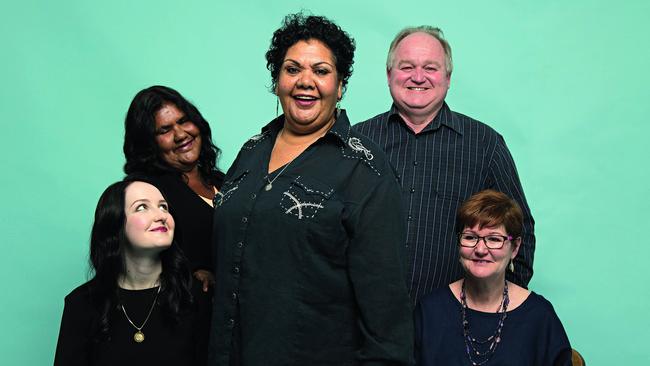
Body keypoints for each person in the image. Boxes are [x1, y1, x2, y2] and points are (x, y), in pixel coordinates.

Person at [208, 13, 413, 366]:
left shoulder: (364, 168)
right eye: (292, 69)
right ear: (276, 81)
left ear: (341, 84)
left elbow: (386, 306)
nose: (306, 82)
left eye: (321, 71)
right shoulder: (251, 150)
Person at [354, 26, 536, 303]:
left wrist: (494, 306)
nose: (418, 77)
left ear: (448, 78)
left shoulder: (485, 144)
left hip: (456, 326)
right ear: (389, 74)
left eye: (430, 67)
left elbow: (519, 229)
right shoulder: (357, 142)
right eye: (406, 67)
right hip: (364, 325)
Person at [53, 178, 211, 365]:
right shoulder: (82, 303)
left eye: (163, 207)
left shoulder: (195, 295)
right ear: (115, 223)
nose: (160, 215)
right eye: (142, 207)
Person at [415, 190, 571, 365]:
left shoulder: (540, 317)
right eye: (470, 237)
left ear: (515, 247)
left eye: (494, 239)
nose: (481, 250)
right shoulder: (429, 311)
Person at [123, 85, 225, 291]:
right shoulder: (146, 190)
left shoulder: (222, 180)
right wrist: (190, 272)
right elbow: (138, 257)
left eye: (183, 121)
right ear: (149, 143)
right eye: (165, 130)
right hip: (189, 308)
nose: (180, 134)